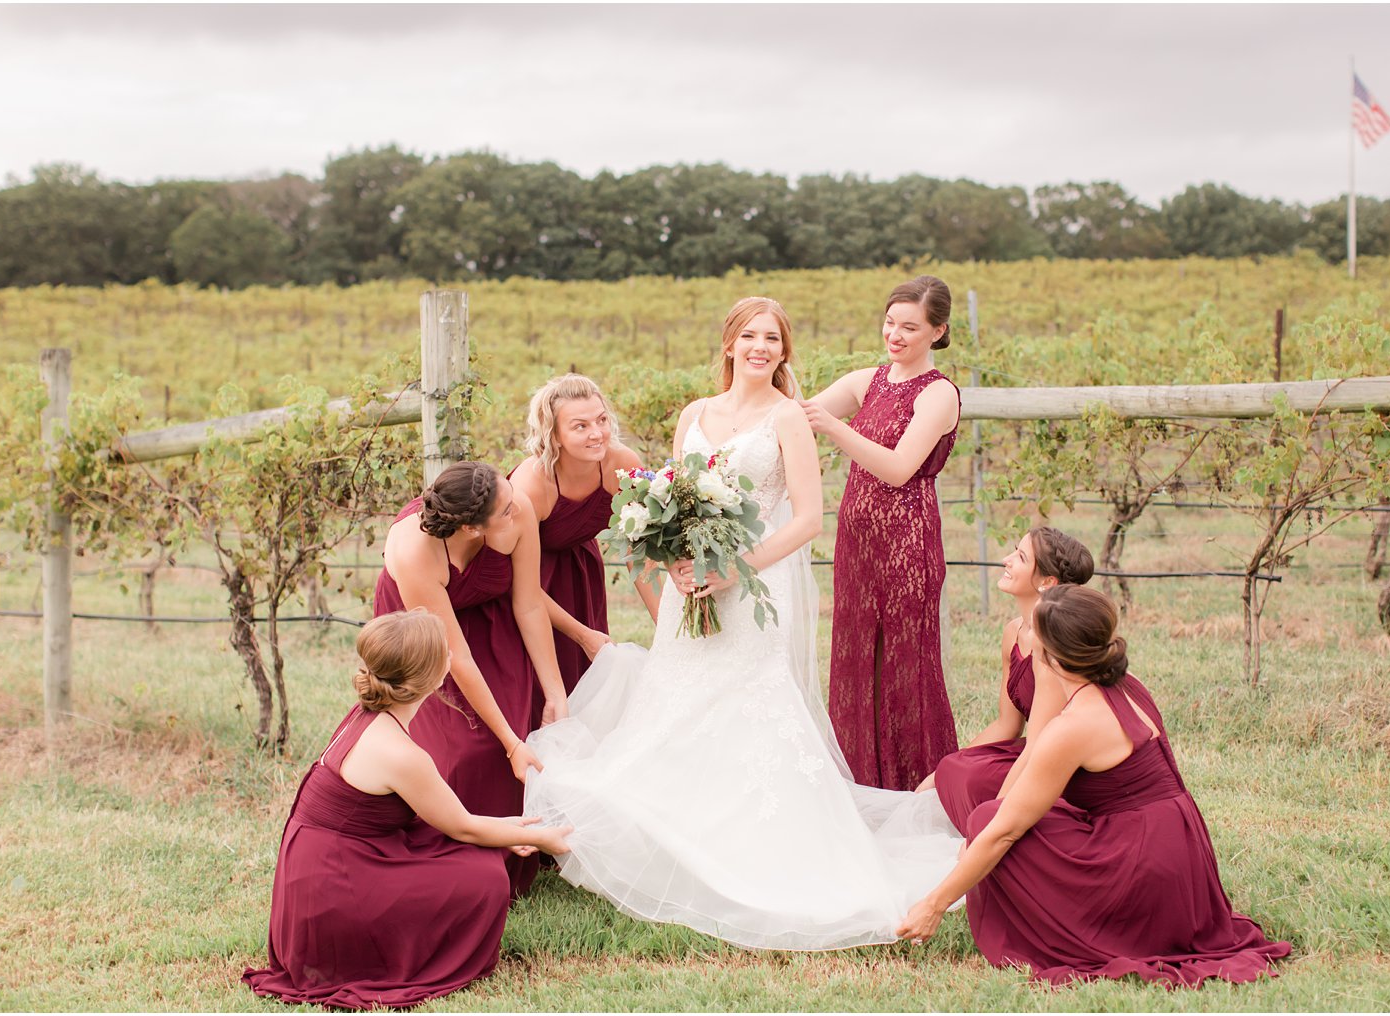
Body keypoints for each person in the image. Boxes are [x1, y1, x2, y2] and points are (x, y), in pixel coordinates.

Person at [522, 297, 963, 950]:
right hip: (688, 585)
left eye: (773, 339)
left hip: (756, 580)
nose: (760, 347)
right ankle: (677, 835)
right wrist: (675, 561)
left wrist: (734, 570)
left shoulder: (788, 418)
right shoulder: (695, 415)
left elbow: (808, 518)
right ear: (728, 344)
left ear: (784, 352)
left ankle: (763, 844)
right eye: (749, 336)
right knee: (680, 698)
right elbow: (668, 500)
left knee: (744, 702)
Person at [895, 586, 1291, 988]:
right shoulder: (1127, 683)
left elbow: (1005, 829)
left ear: (1048, 657)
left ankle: (1098, 928)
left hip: (1141, 862)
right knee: (997, 818)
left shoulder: (1073, 726)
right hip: (1182, 849)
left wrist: (935, 904)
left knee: (989, 823)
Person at [241, 610, 571, 1010]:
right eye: (445, 649)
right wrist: (538, 837)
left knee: (471, 851)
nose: (453, 650)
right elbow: (464, 826)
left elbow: (448, 820)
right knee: (486, 879)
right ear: (433, 679)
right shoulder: (400, 753)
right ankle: (380, 952)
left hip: (322, 869)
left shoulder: (369, 714)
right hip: (334, 891)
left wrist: (510, 831)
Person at [373, 460, 567, 899]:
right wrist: (509, 743)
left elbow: (530, 605)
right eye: (504, 509)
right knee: (469, 748)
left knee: (518, 728)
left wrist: (553, 693)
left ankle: (515, 865)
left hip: (488, 611)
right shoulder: (413, 552)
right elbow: (454, 655)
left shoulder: (516, 509)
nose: (517, 506)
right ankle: (453, 865)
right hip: (424, 633)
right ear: (472, 529)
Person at [801, 275, 963, 791]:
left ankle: (918, 788)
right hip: (857, 546)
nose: (895, 334)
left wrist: (834, 427)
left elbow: (897, 468)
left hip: (907, 547)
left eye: (910, 327)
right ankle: (858, 787)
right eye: (890, 322)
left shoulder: (938, 394)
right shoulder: (865, 380)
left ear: (937, 331)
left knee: (903, 673)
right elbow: (795, 416)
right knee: (852, 664)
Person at [919, 527, 1094, 832]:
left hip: (1070, 763)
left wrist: (993, 818)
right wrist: (939, 773)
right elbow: (1007, 725)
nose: (1006, 559)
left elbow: (1040, 744)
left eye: (1021, 557)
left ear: (1046, 583)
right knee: (953, 769)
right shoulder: (1013, 631)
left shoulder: (1050, 644)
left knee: (971, 780)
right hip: (1035, 747)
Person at [509, 373, 656, 703]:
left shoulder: (622, 464)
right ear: (555, 435)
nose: (597, 434)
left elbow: (640, 547)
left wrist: (666, 623)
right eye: (580, 426)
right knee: (538, 691)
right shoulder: (531, 485)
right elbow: (522, 584)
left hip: (581, 575)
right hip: (528, 584)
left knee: (587, 689)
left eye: (601, 420)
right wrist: (583, 635)